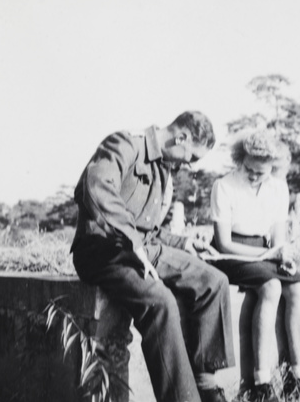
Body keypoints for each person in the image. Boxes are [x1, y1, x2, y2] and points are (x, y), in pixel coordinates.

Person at [70, 111, 235, 402]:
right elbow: (93, 189)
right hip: (103, 251)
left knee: (214, 281)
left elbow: (150, 232)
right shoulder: (124, 144)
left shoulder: (163, 170)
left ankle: (206, 385)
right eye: (192, 157)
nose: (190, 165)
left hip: (144, 249)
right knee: (161, 301)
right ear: (180, 137)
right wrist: (134, 242)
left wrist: (184, 244)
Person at [209, 130, 300, 402]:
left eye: (260, 173)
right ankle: (261, 382)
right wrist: (268, 255)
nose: (253, 176)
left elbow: (278, 236)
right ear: (240, 158)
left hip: (267, 250)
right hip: (233, 254)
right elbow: (224, 242)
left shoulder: (278, 187)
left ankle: (298, 378)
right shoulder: (224, 186)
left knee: (297, 290)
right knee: (271, 286)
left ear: (272, 169)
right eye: (249, 169)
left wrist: (283, 255)